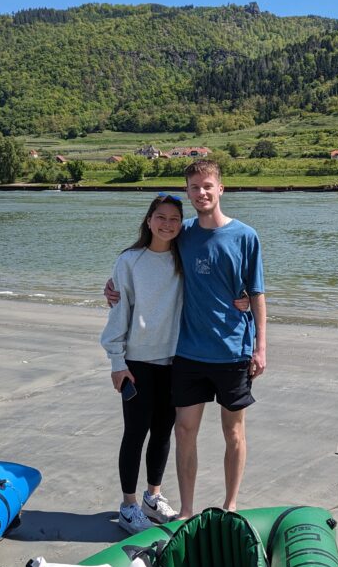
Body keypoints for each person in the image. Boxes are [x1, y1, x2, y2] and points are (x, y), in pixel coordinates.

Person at [107, 160, 267, 520]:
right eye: (195, 188)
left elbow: (256, 294)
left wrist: (260, 347)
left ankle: (230, 505)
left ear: (221, 188)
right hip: (187, 356)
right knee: (182, 431)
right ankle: (185, 509)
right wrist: (113, 288)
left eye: (208, 186)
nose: (202, 193)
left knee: (233, 433)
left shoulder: (245, 236)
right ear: (188, 192)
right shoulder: (183, 234)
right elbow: (146, 261)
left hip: (233, 352)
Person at [100, 194, 186, 534]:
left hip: (176, 361)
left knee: (164, 432)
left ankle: (153, 497)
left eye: (175, 219)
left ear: (182, 225)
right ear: (148, 220)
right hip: (137, 361)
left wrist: (243, 297)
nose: (167, 224)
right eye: (160, 217)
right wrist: (117, 361)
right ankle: (128, 505)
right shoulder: (130, 261)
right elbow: (119, 310)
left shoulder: (185, 259)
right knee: (135, 433)